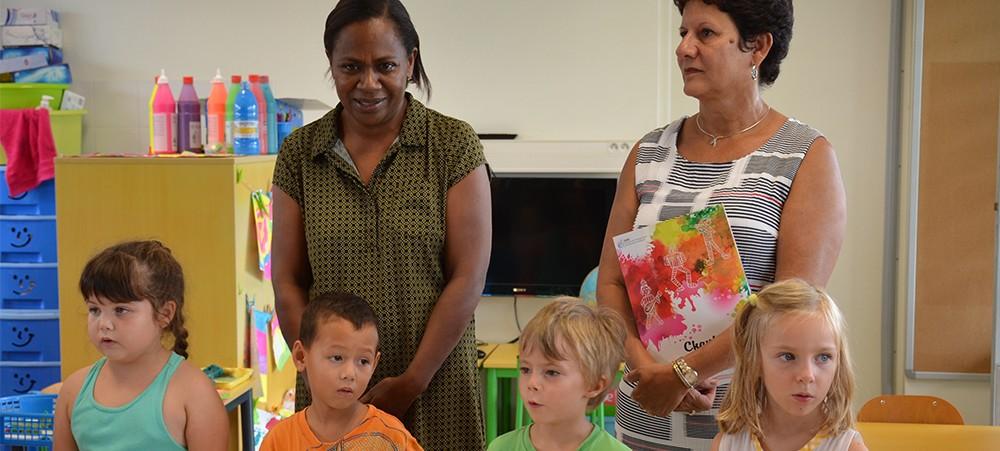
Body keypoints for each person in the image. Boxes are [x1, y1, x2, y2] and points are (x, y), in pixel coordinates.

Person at [596, 0, 847, 449]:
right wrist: (646, 372)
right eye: (682, 33)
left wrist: (684, 373)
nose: (684, 48)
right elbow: (611, 283)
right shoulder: (648, 153)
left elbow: (790, 311)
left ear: (758, 47)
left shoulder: (805, 157)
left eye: (705, 34)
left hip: (750, 429)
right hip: (645, 418)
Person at [270, 0, 492, 448]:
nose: (367, 83)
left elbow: (468, 276)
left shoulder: (451, 145)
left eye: (385, 65)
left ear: (410, 63)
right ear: (331, 66)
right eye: (350, 66)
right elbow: (287, 280)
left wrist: (412, 380)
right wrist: (323, 372)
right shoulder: (299, 153)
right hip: (330, 399)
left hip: (436, 386)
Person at [53, 241, 228, 451]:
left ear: (164, 314)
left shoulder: (196, 394)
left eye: (121, 310)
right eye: (94, 310)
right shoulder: (74, 390)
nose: (104, 324)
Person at [713, 279, 866, 451]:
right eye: (788, 356)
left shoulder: (847, 447)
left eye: (823, 357)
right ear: (754, 361)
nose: (807, 375)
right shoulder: (728, 444)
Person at [260, 292, 423, 450]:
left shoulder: (392, 438)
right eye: (337, 358)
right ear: (301, 356)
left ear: (374, 364)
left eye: (363, 361)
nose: (350, 374)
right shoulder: (279, 440)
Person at [488, 298, 630, 451]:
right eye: (525, 369)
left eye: (551, 372)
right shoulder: (501, 447)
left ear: (594, 384)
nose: (532, 383)